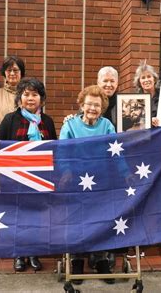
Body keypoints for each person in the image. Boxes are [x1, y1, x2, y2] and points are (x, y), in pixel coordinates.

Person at [0, 78, 57, 272]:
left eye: (35, 94)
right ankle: (19, 254)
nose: (30, 98)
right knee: (18, 216)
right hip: (15, 176)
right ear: (19, 98)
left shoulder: (47, 121)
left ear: (42, 99)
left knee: (37, 217)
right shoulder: (10, 120)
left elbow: (54, 149)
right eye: (26, 94)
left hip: (40, 177)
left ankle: (34, 253)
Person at [59, 85, 115, 284]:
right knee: (77, 220)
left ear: (103, 108)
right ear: (82, 105)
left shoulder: (107, 125)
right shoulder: (70, 125)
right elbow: (62, 151)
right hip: (75, 182)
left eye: (97, 105)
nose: (92, 108)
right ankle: (76, 261)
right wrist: (65, 172)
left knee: (101, 219)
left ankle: (101, 261)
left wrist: (125, 174)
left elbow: (116, 152)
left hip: (101, 182)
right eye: (89, 104)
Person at [0, 56, 26, 139]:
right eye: (9, 70)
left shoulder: (27, 93)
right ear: (4, 73)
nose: (12, 73)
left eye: (15, 70)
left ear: (21, 72)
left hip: (24, 143)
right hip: (3, 144)